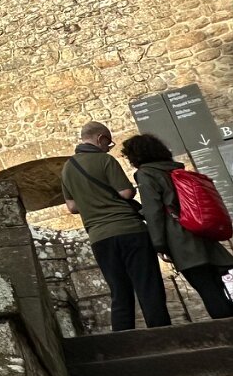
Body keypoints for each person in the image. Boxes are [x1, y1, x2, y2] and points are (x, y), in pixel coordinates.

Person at [62, 120, 169, 330]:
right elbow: (126, 193)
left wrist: (92, 202)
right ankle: (164, 334)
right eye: (108, 143)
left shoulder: (67, 168)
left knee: (119, 291)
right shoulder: (105, 160)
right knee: (148, 286)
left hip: (99, 237)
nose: (108, 148)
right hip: (129, 230)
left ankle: (124, 338)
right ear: (100, 138)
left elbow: (72, 207)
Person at [121, 133, 233, 320]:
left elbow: (154, 210)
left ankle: (225, 330)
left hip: (180, 238)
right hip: (201, 231)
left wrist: (159, 244)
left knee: (207, 288)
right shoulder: (174, 169)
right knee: (217, 286)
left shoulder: (146, 174)